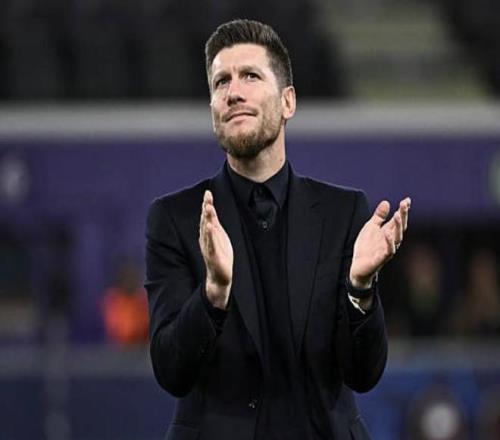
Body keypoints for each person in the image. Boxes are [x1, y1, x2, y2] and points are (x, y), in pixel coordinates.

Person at [145, 19, 411, 440]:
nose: (233, 92)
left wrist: (360, 289)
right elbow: (171, 371)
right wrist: (213, 294)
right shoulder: (176, 218)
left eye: (250, 76)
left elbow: (363, 374)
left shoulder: (344, 213)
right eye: (221, 82)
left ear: (288, 102)